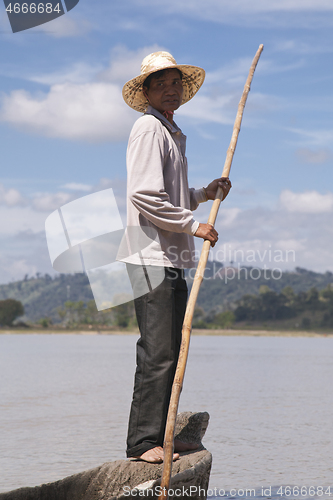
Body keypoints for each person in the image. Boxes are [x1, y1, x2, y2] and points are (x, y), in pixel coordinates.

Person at [122, 51, 231, 463]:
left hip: (167, 256)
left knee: (172, 348)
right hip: (149, 256)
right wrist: (193, 224)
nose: (170, 88)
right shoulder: (148, 128)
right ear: (147, 92)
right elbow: (144, 196)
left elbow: (168, 195)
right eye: (160, 83)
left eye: (175, 83)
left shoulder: (170, 131)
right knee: (158, 352)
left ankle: (163, 437)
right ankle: (141, 444)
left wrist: (204, 194)